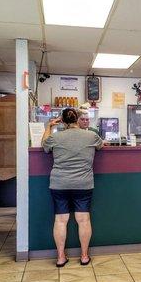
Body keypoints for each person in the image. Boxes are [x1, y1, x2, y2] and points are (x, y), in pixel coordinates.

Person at [42, 108, 103, 267]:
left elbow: (44, 145)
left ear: (62, 120)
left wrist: (49, 126)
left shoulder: (55, 136)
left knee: (61, 220)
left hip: (59, 183)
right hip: (83, 183)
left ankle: (61, 257)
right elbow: (101, 145)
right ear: (78, 119)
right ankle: (84, 256)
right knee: (83, 220)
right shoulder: (91, 136)